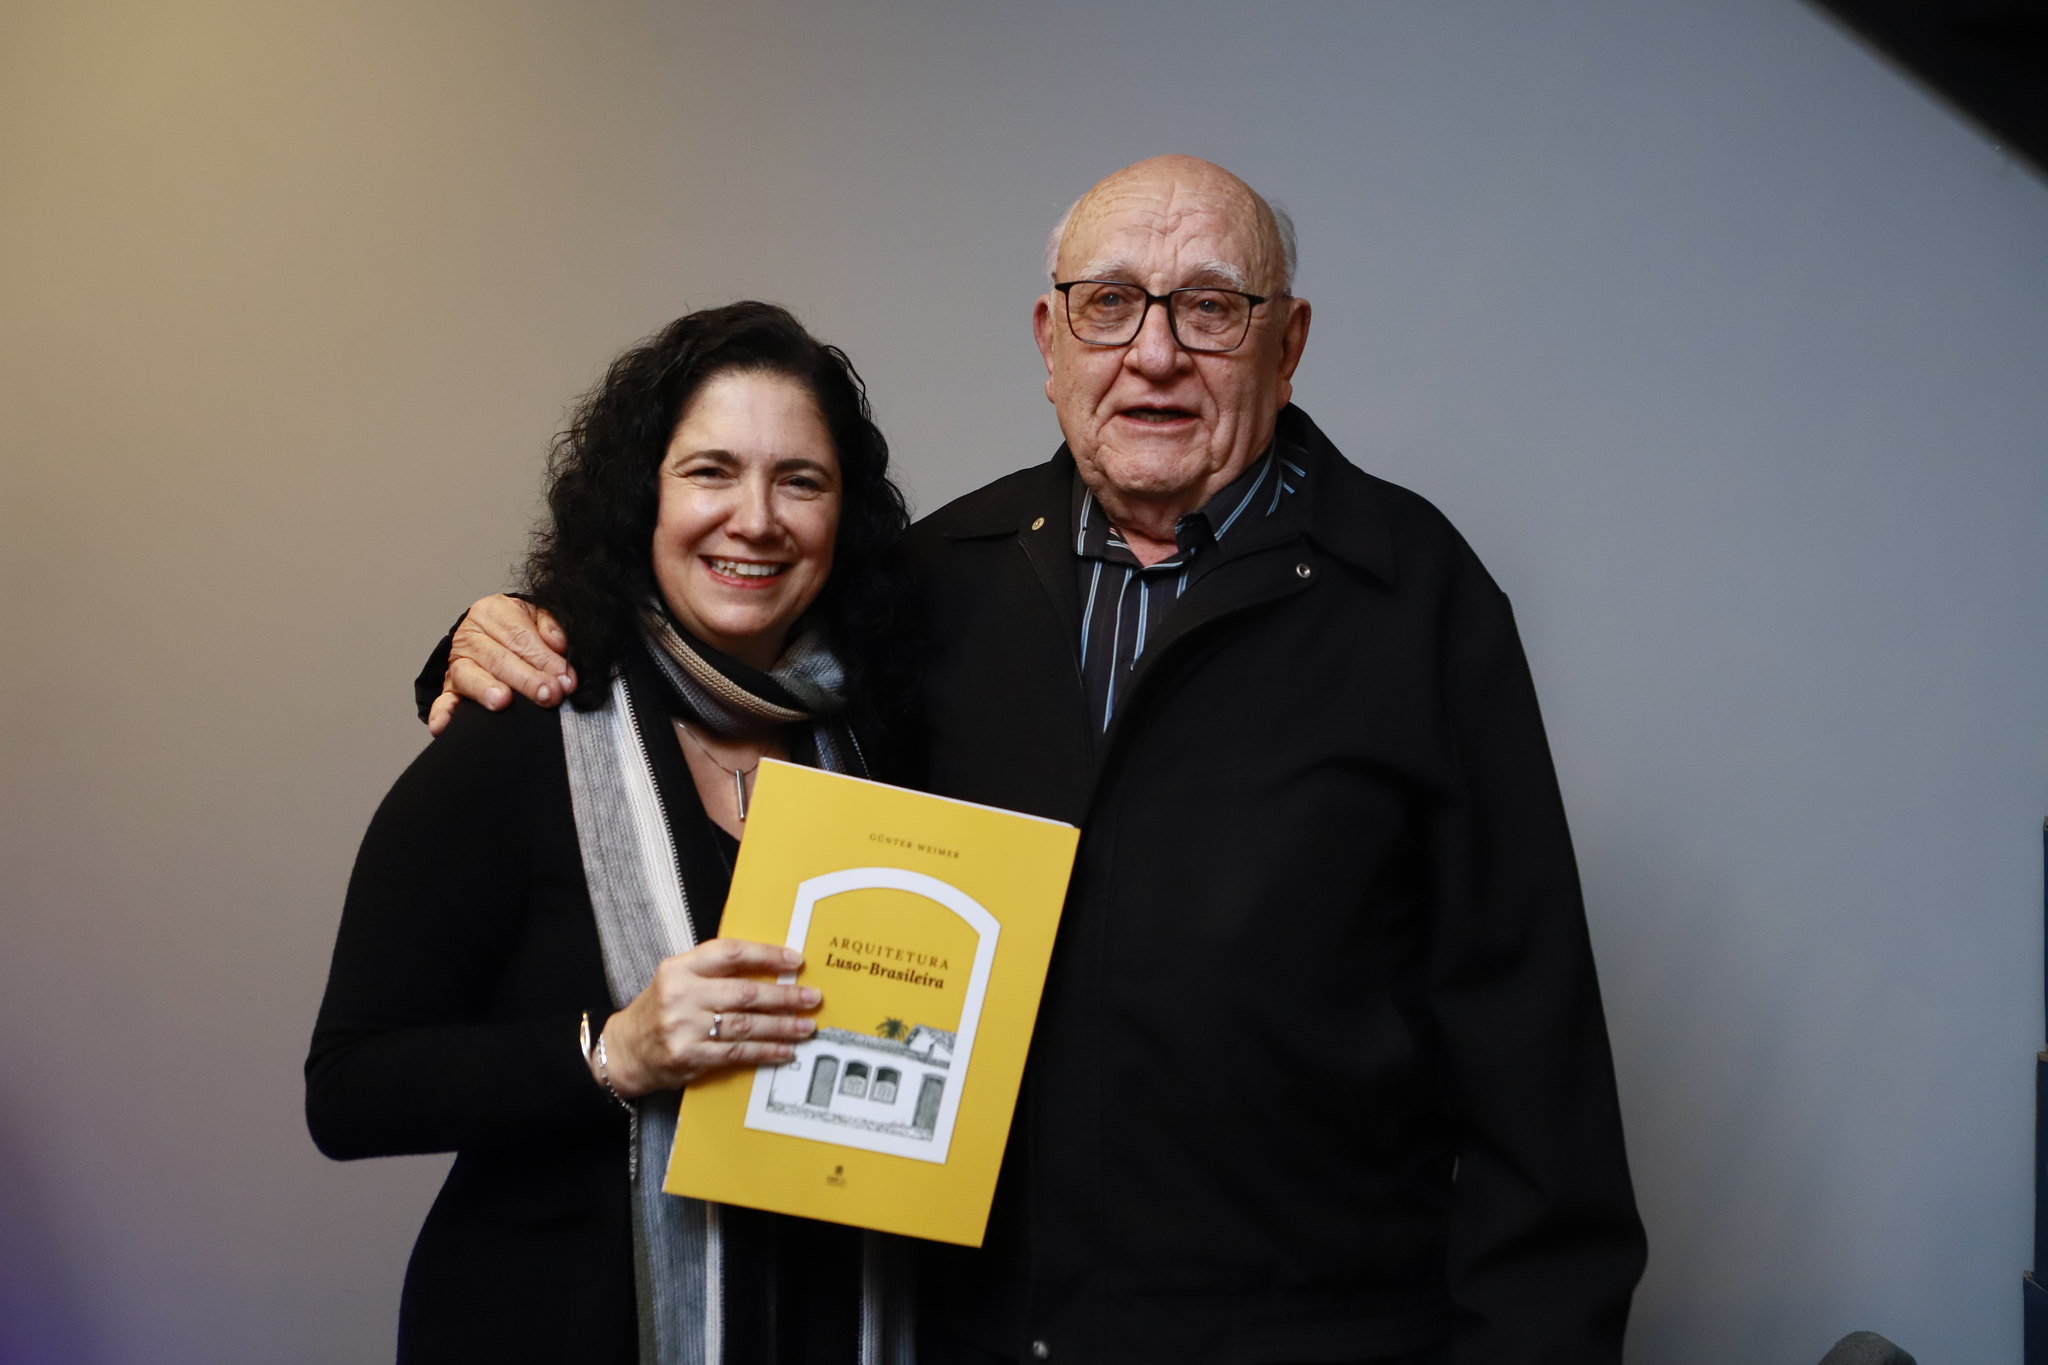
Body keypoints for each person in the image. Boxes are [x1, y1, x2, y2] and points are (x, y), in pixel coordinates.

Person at [432, 157, 1648, 1365]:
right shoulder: (931, 582)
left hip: (1313, 1335)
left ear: (1286, 346)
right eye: (1107, 304)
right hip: (975, 1336)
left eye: (1210, 307)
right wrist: (498, 640)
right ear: (1048, 340)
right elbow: (709, 647)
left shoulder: (1413, 598)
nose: (1154, 354)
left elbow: (1532, 1055)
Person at [307, 301, 918, 1365]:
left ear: (843, 514)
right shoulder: (523, 730)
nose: (756, 519)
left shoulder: (887, 741)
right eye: (711, 472)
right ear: (643, 496)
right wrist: (611, 1052)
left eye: (800, 481)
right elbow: (350, 1089)